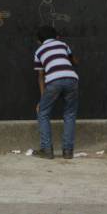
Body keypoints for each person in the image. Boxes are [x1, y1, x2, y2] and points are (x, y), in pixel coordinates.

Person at [33, 25, 79, 160]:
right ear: (56, 36)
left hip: (53, 81)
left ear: (39, 40)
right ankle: (68, 152)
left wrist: (42, 99)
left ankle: (47, 150)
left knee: (43, 113)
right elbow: (74, 61)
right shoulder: (63, 45)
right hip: (72, 79)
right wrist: (74, 60)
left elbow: (41, 76)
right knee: (70, 114)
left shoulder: (39, 51)